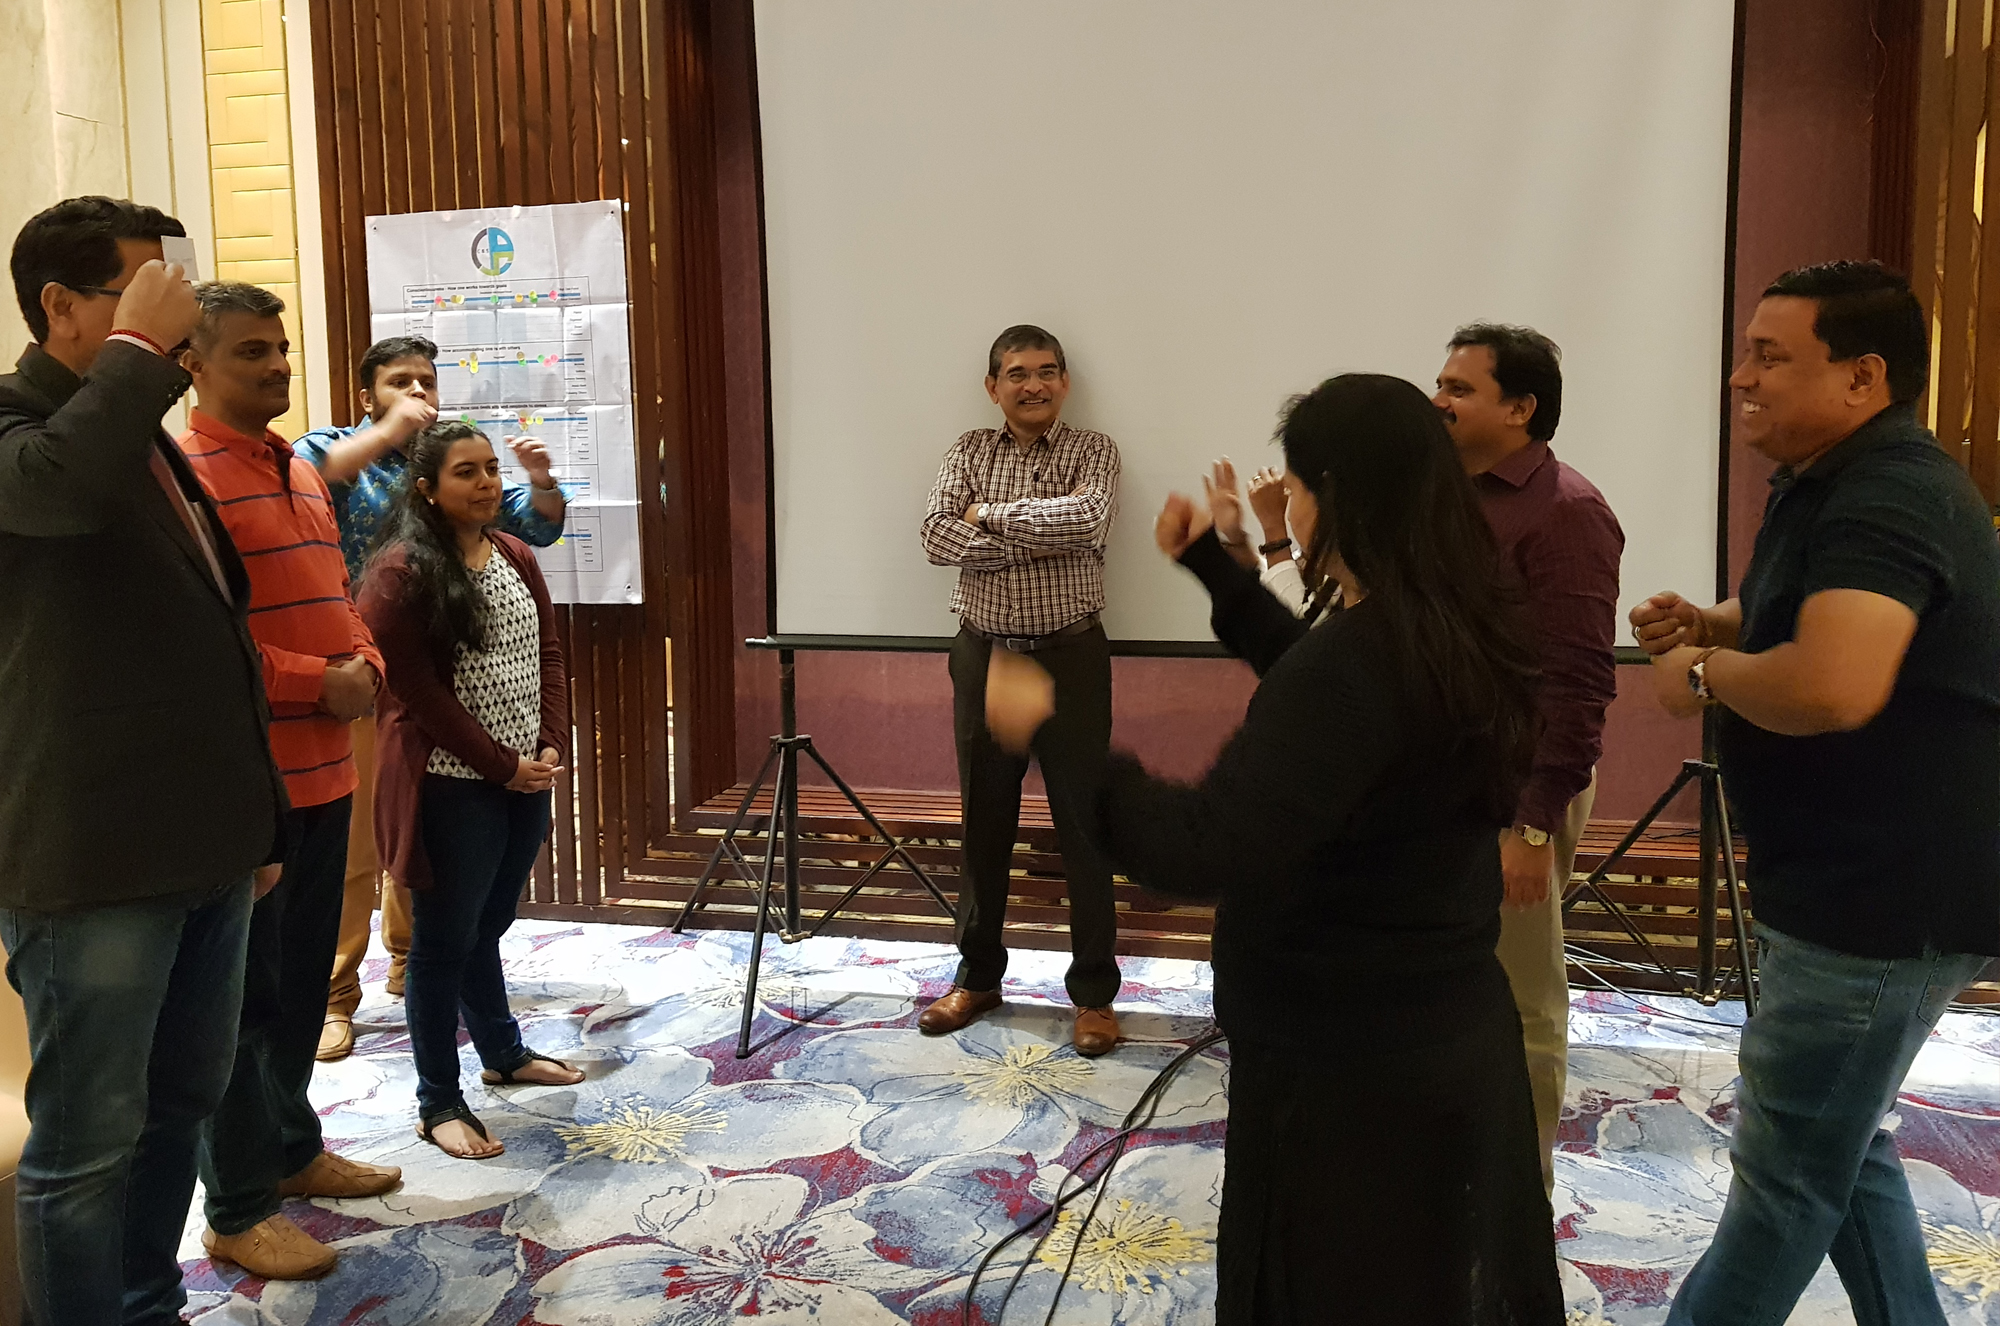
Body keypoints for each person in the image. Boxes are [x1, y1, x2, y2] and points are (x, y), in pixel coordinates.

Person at [988, 374, 1562, 1323]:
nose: (1286, 505)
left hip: (1343, 1062)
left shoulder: (1360, 661)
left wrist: (1060, 741)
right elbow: (1330, 695)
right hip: (1444, 1024)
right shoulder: (1455, 616)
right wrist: (1217, 572)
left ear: (1336, 496)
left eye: (1295, 486)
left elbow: (1205, 846)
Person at [1633, 261, 2000, 1323]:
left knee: (1786, 1181)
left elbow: (1834, 684)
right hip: (1858, 883)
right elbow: (1824, 614)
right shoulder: (1836, 477)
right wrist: (1717, 623)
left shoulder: (1887, 492)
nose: (1739, 378)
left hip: (1879, 898)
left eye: (1769, 357)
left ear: (1861, 377)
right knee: (1840, 1144)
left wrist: (1700, 673)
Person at [1211, 325, 1624, 1190]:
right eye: (1438, 383)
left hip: (1515, 790)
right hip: (1436, 779)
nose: (1438, 400)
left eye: (1460, 389)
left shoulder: (1568, 511)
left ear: (1522, 408)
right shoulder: (1437, 496)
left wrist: (1532, 826)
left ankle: (1517, 1190)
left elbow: (1577, 684)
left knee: (1518, 993)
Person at [0, 197, 286, 1325]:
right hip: (90, 858)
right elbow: (59, 491)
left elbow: (217, 635)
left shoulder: (138, 430)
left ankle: (145, 1303)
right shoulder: (23, 426)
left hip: (205, 845)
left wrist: (258, 826)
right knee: (86, 1144)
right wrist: (134, 354)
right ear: (61, 305)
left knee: (179, 1106)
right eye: (146, 292)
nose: (177, 317)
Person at [175, 281, 404, 1280]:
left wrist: (367, 664)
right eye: (249, 351)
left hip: (326, 777)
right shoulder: (183, 479)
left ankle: (293, 1149)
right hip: (247, 793)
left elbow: (337, 597)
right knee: (240, 1010)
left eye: (279, 347)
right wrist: (321, 681)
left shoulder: (302, 470)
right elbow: (198, 645)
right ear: (191, 362)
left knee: (303, 988)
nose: (276, 364)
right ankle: (236, 1207)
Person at [295, 335, 567, 1061]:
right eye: (399, 381)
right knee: (357, 847)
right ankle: (334, 995)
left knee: (427, 861)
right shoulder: (334, 450)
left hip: (451, 693)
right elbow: (306, 479)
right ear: (367, 396)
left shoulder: (456, 460)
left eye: (427, 380)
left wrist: (539, 481)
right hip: (351, 670)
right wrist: (388, 434)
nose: (418, 391)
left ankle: (414, 964)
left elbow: (534, 522)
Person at [359, 420, 582, 1160]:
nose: (487, 483)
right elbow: (417, 694)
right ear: (427, 489)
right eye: (467, 472)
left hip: (523, 775)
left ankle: (503, 1053)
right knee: (441, 944)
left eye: (491, 469)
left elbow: (549, 652)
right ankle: (438, 1101)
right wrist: (500, 765)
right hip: (450, 784)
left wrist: (549, 742)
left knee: (487, 924)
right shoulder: (400, 573)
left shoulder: (514, 552)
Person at [917, 324, 1124, 1056]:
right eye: (1016, 373)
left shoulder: (1093, 450)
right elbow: (935, 536)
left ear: (1064, 381)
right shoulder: (969, 450)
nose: (1032, 385)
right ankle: (977, 978)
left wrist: (990, 518)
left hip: (1070, 658)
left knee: (1084, 827)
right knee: (985, 824)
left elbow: (1088, 519)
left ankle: (1094, 994)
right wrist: (1038, 536)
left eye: (1045, 372)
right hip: (990, 659)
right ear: (993, 386)